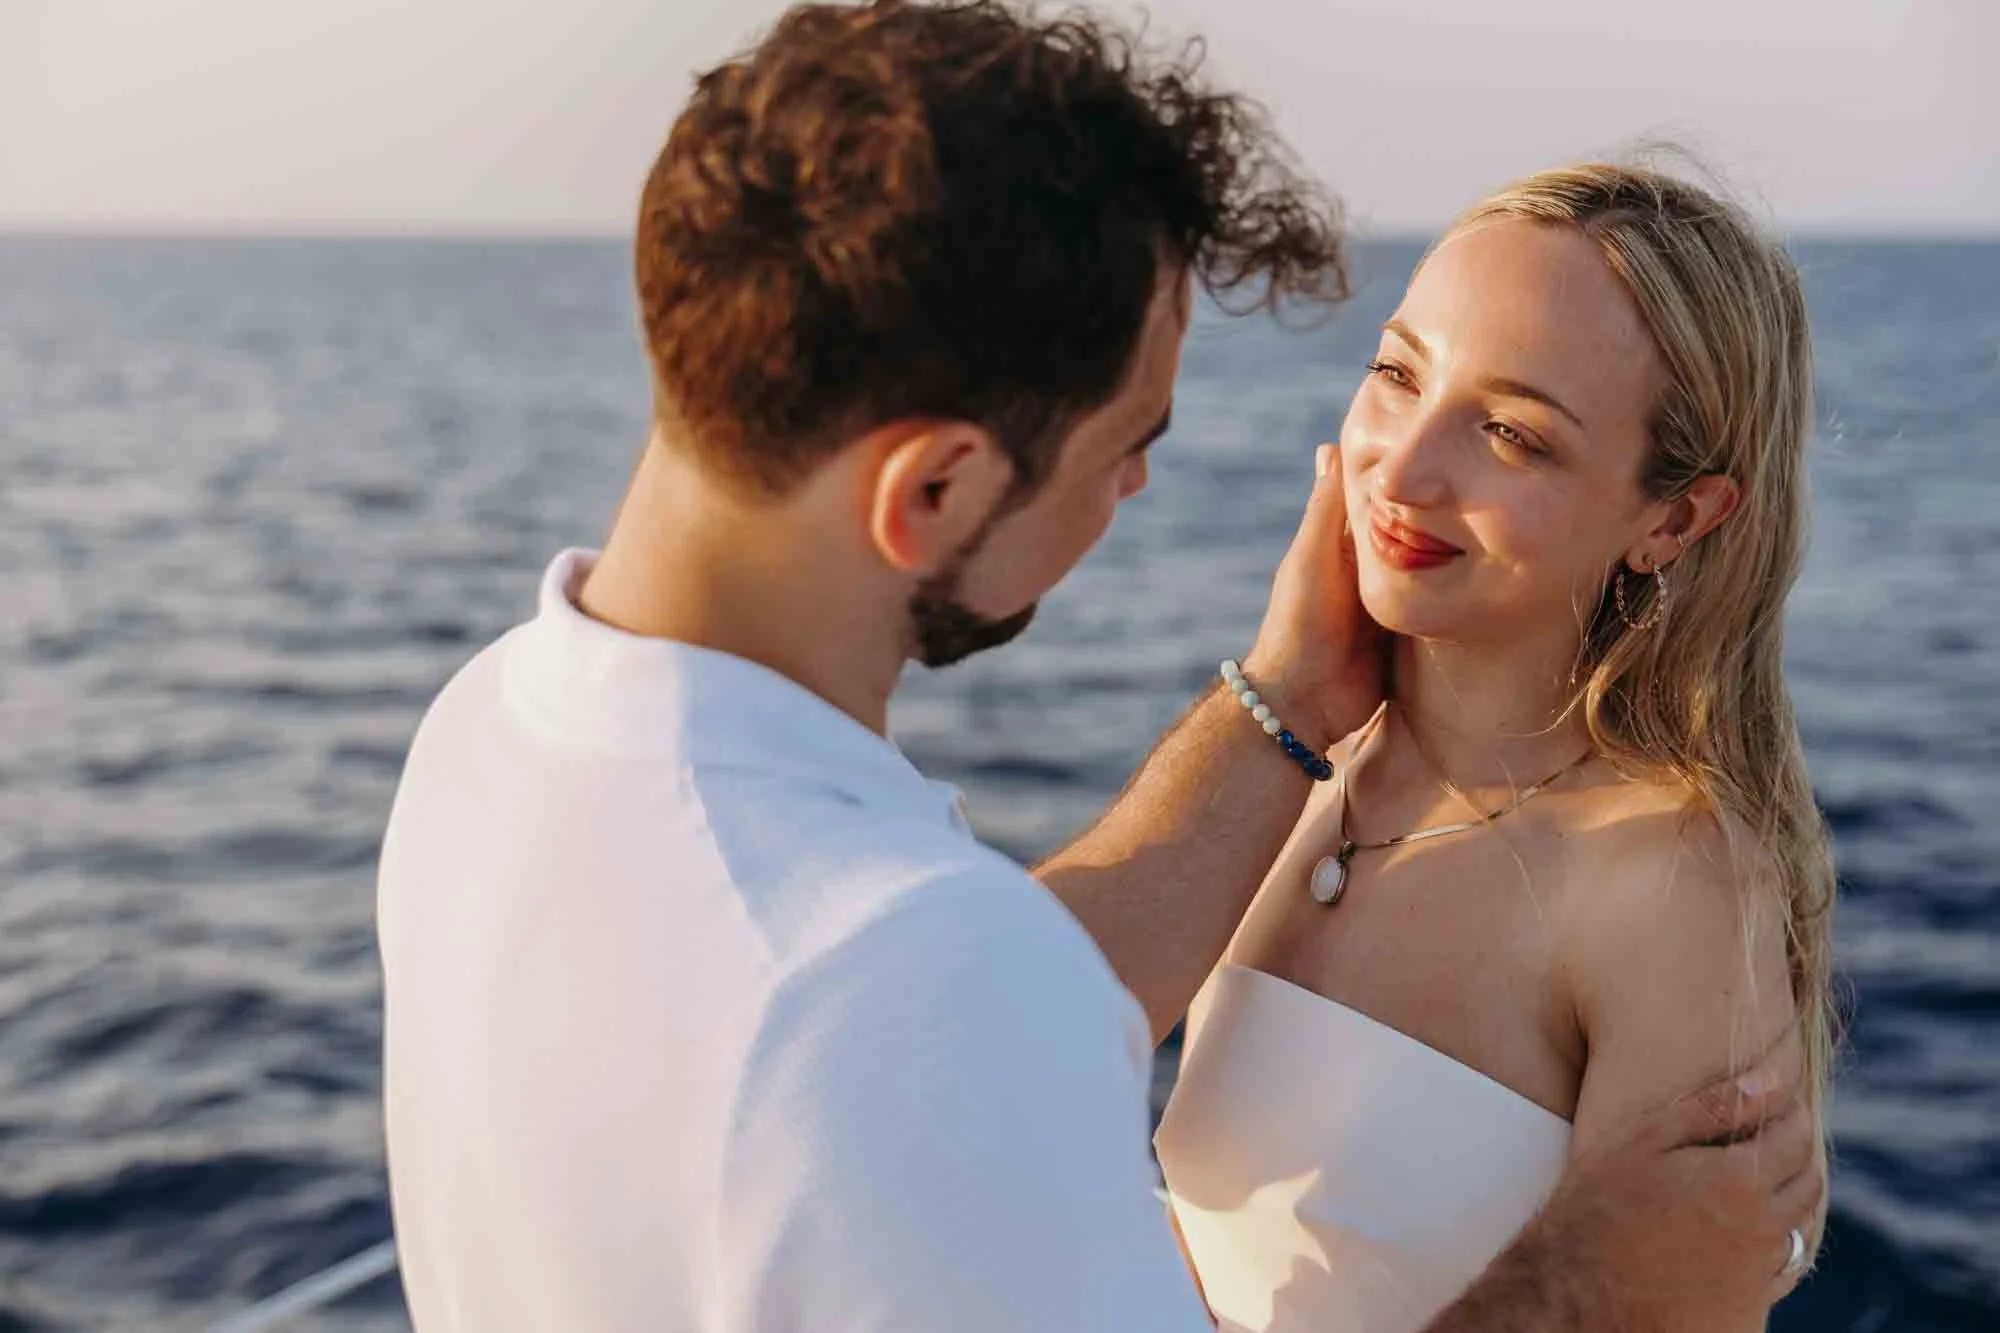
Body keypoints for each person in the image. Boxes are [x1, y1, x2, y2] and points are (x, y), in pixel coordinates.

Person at [374, 3, 1822, 1330]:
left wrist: (1285, 707)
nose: (1136, 489)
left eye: (1508, 428)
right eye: (1127, 445)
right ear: (932, 490)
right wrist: (1599, 1285)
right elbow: (954, 1007)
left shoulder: (484, 734)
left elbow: (1016, 1016)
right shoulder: (888, 973)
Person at [1154, 162, 1838, 1333]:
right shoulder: (1307, 766)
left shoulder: (1660, 883)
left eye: (1512, 433)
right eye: (1395, 373)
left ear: (1672, 517)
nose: (1400, 470)